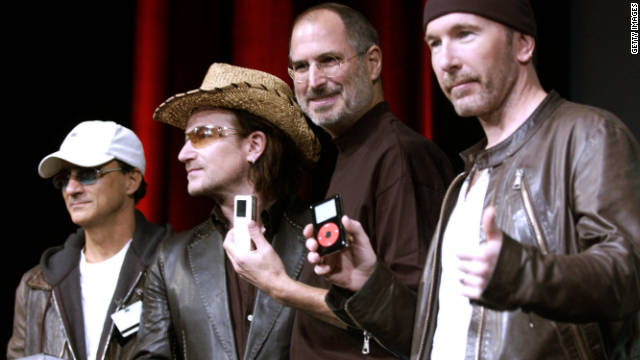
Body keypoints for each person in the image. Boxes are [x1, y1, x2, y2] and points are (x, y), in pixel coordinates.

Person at [305, 0, 640, 358]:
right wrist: (369, 282)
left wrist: (524, 273)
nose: (446, 61)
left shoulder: (588, 135)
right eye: (434, 43)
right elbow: (431, 345)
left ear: (523, 44)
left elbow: (629, 273)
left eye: (465, 34)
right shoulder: (464, 183)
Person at [224, 3, 454, 359]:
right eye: (301, 66)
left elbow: (423, 322)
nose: (314, 81)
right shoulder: (351, 151)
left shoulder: (400, 155)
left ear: (372, 63)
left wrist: (280, 286)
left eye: (329, 60)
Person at [132, 63, 322, 360]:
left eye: (202, 135)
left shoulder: (320, 236)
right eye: (185, 139)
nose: (183, 154)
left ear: (254, 145)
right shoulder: (170, 259)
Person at [7, 121, 172, 360]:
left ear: (132, 180)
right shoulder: (36, 285)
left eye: (87, 174)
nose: (71, 188)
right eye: (64, 178)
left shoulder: (177, 269)